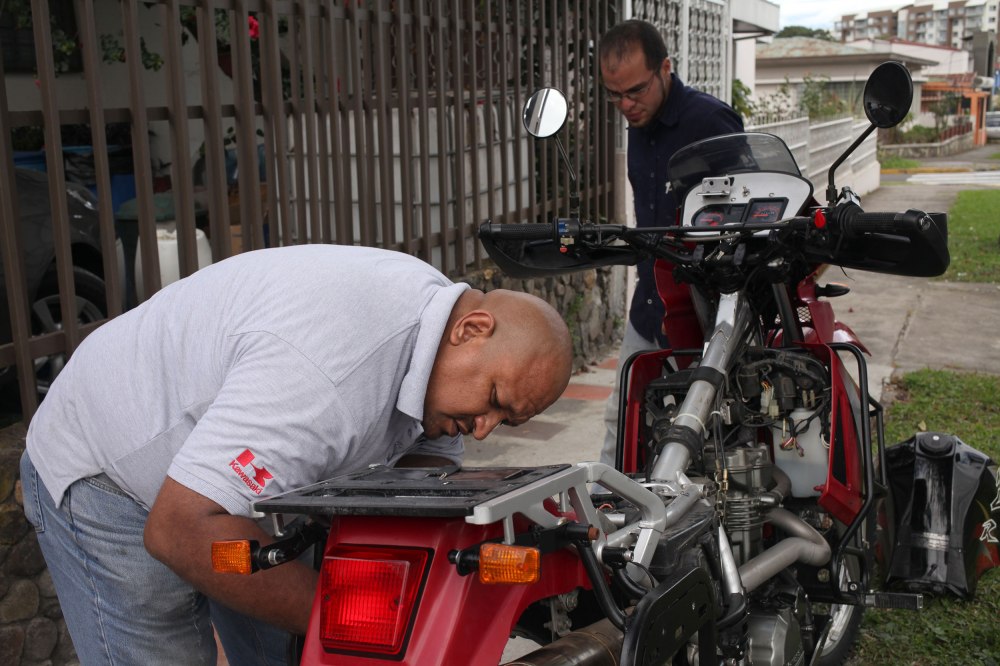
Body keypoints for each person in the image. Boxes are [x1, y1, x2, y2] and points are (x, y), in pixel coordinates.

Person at [20, 243, 573, 665]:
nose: (483, 431)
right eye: (493, 401)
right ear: (472, 329)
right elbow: (180, 529)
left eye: (506, 421)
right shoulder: (325, 378)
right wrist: (364, 622)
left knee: (286, 645)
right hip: (111, 469)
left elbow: (422, 462)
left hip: (239, 477)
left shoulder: (437, 336)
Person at [598, 19, 744, 468]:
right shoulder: (638, 125)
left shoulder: (711, 121)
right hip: (649, 308)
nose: (625, 105)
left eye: (635, 91)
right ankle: (605, 505)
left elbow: (750, 217)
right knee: (622, 421)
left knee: (710, 431)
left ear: (665, 68)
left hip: (704, 317)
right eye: (614, 95)